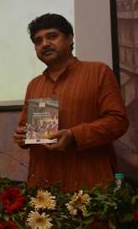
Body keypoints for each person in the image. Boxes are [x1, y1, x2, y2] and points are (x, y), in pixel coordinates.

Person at [14, 13, 129, 191]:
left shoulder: (98, 72)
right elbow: (25, 127)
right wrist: (23, 136)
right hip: (43, 188)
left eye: (52, 36)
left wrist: (74, 135)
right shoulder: (34, 84)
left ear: (70, 38)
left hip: (90, 183)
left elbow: (118, 121)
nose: (44, 44)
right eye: (38, 41)